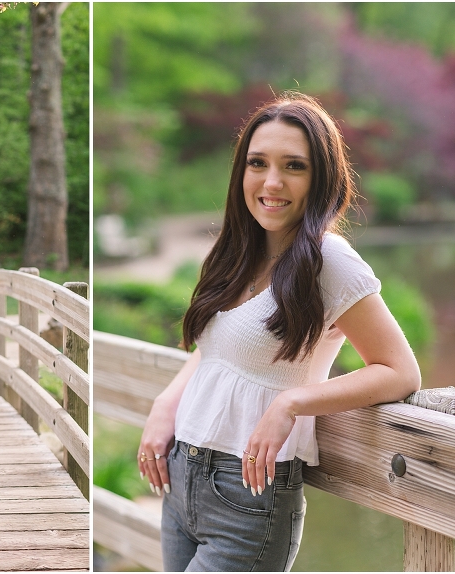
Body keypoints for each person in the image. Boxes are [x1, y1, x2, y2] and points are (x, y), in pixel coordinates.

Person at [137, 92, 421, 571]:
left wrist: (291, 403)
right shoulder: (237, 250)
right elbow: (215, 350)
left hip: (248, 494)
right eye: (257, 163)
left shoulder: (330, 263)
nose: (272, 182)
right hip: (181, 473)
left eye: (294, 166)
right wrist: (166, 404)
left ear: (321, 178)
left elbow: (399, 371)